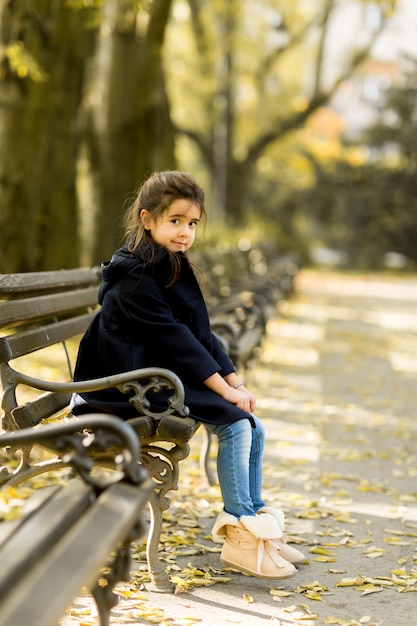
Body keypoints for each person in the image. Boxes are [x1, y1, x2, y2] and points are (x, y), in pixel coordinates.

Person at [70, 170, 305, 579]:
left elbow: (198, 332)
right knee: (236, 426)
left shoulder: (168, 263)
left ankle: (254, 523)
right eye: (174, 220)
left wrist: (233, 381)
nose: (184, 232)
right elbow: (174, 339)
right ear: (147, 219)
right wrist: (223, 391)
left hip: (157, 374)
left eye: (192, 223)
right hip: (129, 386)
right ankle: (242, 539)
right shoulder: (136, 276)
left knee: (252, 424)